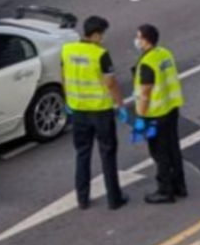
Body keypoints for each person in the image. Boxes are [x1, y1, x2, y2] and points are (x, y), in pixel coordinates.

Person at [64, 15, 128, 210]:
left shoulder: (67, 50)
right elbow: (110, 83)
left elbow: (64, 76)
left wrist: (69, 100)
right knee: (107, 154)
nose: (103, 38)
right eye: (102, 34)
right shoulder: (100, 54)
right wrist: (120, 105)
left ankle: (82, 199)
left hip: (78, 111)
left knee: (82, 154)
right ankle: (114, 199)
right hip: (100, 111)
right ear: (96, 35)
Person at [132, 24, 187, 204]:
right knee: (173, 149)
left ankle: (165, 190)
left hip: (155, 115)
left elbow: (145, 93)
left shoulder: (147, 63)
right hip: (171, 108)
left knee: (159, 153)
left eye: (138, 37)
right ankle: (179, 185)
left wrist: (140, 117)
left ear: (146, 40)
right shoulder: (164, 53)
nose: (136, 40)